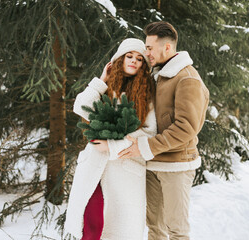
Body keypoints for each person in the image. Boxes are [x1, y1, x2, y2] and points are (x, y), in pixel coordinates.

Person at [118, 22, 210, 240]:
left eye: (149, 48)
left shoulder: (186, 78)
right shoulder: (156, 75)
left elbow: (186, 128)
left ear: (167, 48)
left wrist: (143, 147)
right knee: (155, 228)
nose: (146, 52)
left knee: (176, 230)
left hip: (176, 165)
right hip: (153, 163)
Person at [64, 38, 157, 240]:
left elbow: (149, 132)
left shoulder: (147, 95)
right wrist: (101, 80)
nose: (133, 61)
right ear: (119, 60)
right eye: (129, 56)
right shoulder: (107, 88)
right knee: (91, 226)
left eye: (139, 59)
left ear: (143, 65)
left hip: (125, 168)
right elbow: (80, 106)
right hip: (95, 167)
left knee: (120, 230)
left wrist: (112, 145)